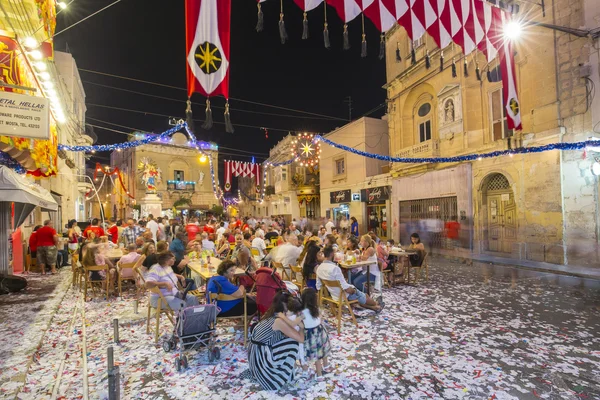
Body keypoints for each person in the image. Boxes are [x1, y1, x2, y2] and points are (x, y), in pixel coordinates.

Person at [241, 291, 304, 390]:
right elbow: (301, 339)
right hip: (261, 360)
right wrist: (302, 326)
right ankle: (282, 374)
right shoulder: (278, 321)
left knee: (287, 339)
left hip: (255, 354)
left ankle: (287, 368)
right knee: (293, 343)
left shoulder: (270, 314)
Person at [316, 246, 383, 312]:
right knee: (363, 295)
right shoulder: (335, 268)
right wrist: (354, 291)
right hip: (343, 295)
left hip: (334, 295)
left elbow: (318, 286)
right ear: (331, 254)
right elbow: (346, 288)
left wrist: (329, 289)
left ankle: (375, 307)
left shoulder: (319, 268)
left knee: (357, 297)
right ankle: (376, 304)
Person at [301, 288, 331, 379]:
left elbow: (302, 325)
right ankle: (326, 366)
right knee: (324, 350)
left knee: (316, 356)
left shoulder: (301, 312)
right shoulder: (317, 309)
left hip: (310, 334)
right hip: (320, 331)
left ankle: (319, 374)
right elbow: (319, 320)